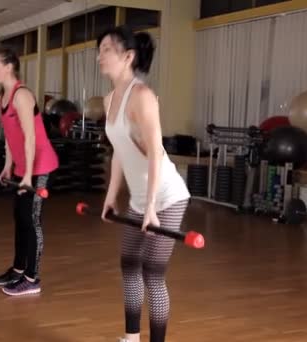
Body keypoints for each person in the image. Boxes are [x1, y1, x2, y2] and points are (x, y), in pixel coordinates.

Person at [97, 26, 191, 342]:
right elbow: (119, 152)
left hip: (166, 196)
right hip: (139, 199)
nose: (100, 56)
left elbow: (154, 153)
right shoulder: (110, 99)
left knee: (153, 273)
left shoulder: (143, 96)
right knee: (128, 265)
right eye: (100, 50)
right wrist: (112, 197)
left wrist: (151, 208)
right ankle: (131, 337)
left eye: (107, 49)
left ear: (128, 56)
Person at [0, 46, 59, 296]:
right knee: (20, 218)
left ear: (8, 67)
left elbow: (30, 137)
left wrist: (28, 175)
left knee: (32, 220)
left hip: (39, 167)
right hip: (22, 167)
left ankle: (32, 277)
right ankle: (18, 269)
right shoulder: (3, 97)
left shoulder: (22, 95)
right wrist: (9, 165)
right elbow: (10, 137)